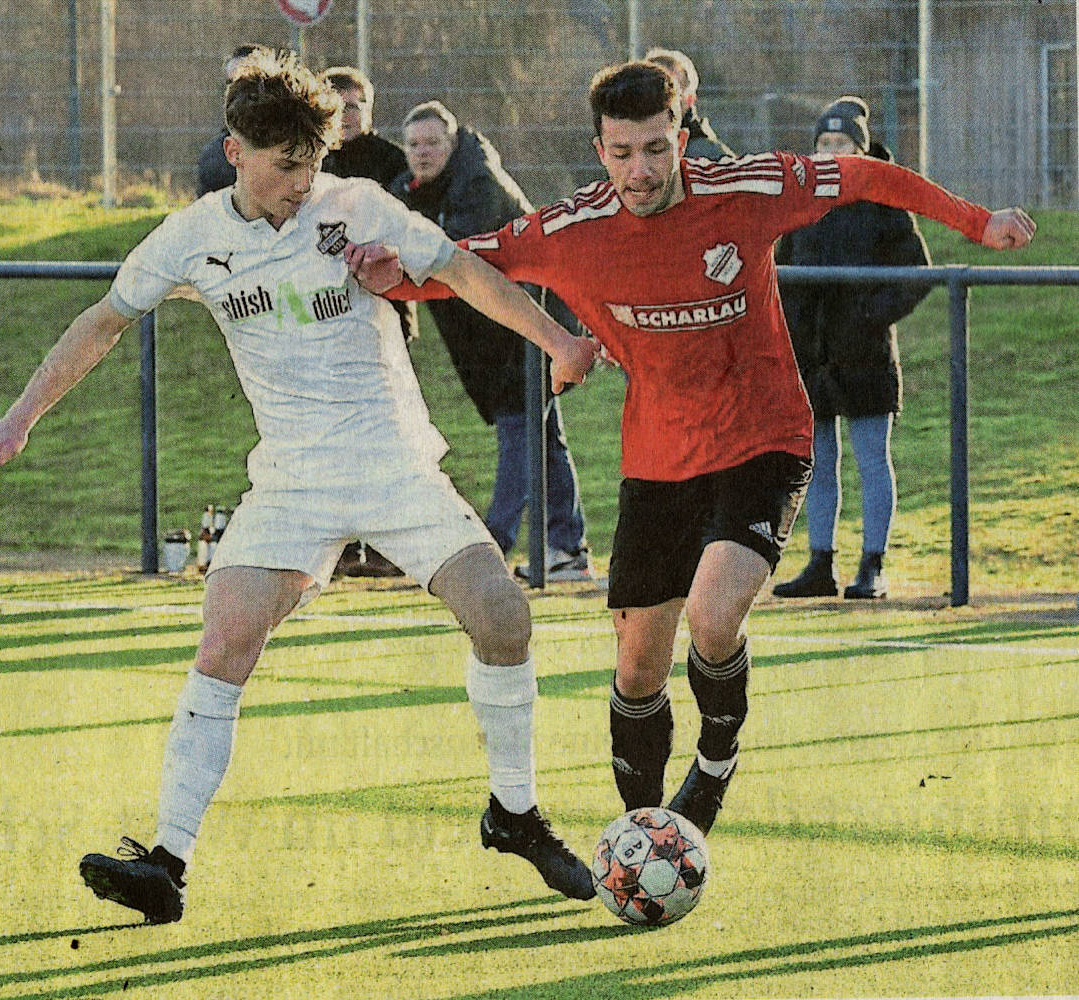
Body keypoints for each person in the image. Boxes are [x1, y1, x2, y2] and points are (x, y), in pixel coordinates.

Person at [0, 49, 600, 925]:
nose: (302, 185)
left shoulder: (358, 205)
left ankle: (516, 815)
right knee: (225, 639)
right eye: (283, 167)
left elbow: (462, 271)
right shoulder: (193, 236)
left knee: (504, 617)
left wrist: (554, 341)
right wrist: (21, 416)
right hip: (293, 483)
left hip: (393, 466)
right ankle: (166, 864)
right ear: (235, 151)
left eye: (313, 163)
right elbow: (103, 323)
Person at [355, 61, 1035, 836]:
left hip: (764, 438)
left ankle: (714, 763)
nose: (639, 171)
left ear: (681, 136)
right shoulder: (570, 230)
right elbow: (467, 265)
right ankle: (643, 832)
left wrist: (976, 222)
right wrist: (390, 277)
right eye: (620, 152)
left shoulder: (744, 188)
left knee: (713, 619)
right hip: (658, 459)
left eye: (654, 148)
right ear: (597, 148)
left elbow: (862, 175)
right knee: (637, 665)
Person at [390, 100, 592, 581]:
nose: (422, 153)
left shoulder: (479, 184)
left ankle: (492, 544)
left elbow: (447, 254)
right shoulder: (415, 190)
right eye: (413, 145)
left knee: (521, 432)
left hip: (531, 324)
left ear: (453, 142)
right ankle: (568, 549)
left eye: (432, 142)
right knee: (544, 438)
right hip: (496, 336)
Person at [773, 97, 932, 600]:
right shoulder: (800, 202)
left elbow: (917, 272)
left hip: (864, 355)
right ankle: (820, 562)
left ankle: (874, 564)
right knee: (817, 463)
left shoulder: (886, 201)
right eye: (824, 143)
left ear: (861, 150)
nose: (831, 152)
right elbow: (780, 272)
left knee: (870, 458)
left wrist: (870, 314)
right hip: (812, 359)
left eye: (841, 143)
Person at [320, 64, 416, 579]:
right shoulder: (310, 161)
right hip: (320, 313)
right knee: (333, 433)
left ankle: (387, 545)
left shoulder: (388, 161)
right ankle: (336, 544)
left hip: (381, 310)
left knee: (385, 430)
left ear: (369, 108)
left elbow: (402, 228)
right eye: (337, 105)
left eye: (354, 105)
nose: (347, 115)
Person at [195, 44, 265, 197]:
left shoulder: (302, 151)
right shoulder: (215, 158)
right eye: (231, 85)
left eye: (250, 84)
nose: (240, 95)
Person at [644, 47, 735, 160]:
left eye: (669, 92)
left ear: (690, 99)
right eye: (648, 89)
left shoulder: (710, 157)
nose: (656, 99)